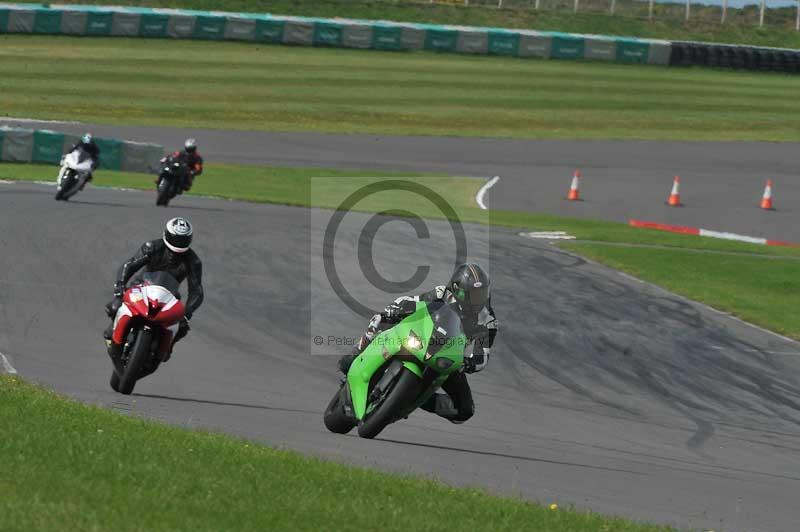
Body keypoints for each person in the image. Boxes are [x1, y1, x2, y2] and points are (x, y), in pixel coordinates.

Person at [338, 263, 498, 424]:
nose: (476, 300)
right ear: (458, 290)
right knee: (381, 320)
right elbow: (413, 301)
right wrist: (394, 310)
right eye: (471, 295)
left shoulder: (488, 320)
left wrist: (469, 362)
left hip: (449, 357)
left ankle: (418, 399)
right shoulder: (442, 293)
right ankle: (357, 352)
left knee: (465, 411)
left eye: (481, 294)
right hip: (424, 337)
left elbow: (483, 353)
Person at [103, 217, 204, 368]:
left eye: (182, 240)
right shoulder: (152, 247)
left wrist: (187, 312)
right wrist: (120, 287)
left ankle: (167, 348)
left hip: (169, 295)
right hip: (141, 286)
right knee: (115, 306)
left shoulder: (193, 261)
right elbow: (129, 265)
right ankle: (112, 334)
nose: (177, 245)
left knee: (182, 326)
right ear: (167, 234)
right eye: (175, 239)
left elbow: (197, 291)